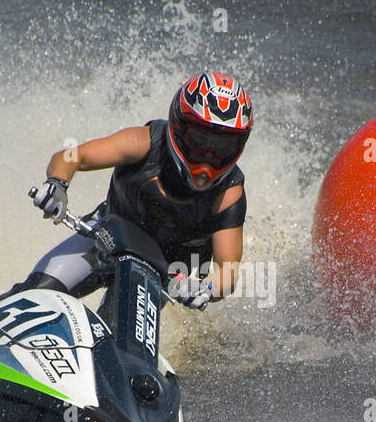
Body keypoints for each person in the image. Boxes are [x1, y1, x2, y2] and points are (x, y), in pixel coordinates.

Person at [14, 71, 252, 313]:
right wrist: (57, 184)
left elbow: (228, 270)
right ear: (179, 127)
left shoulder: (229, 192)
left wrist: (206, 288)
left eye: (222, 146)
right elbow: (72, 156)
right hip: (101, 239)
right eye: (200, 140)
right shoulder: (143, 143)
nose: (209, 156)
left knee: (115, 333)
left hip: (159, 274)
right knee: (31, 297)